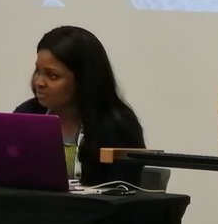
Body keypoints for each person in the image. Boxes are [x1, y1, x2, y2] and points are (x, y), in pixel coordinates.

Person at [14, 25, 144, 185]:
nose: (39, 82)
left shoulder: (118, 125)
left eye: (52, 75)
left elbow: (125, 194)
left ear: (84, 80)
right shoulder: (26, 114)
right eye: (38, 71)